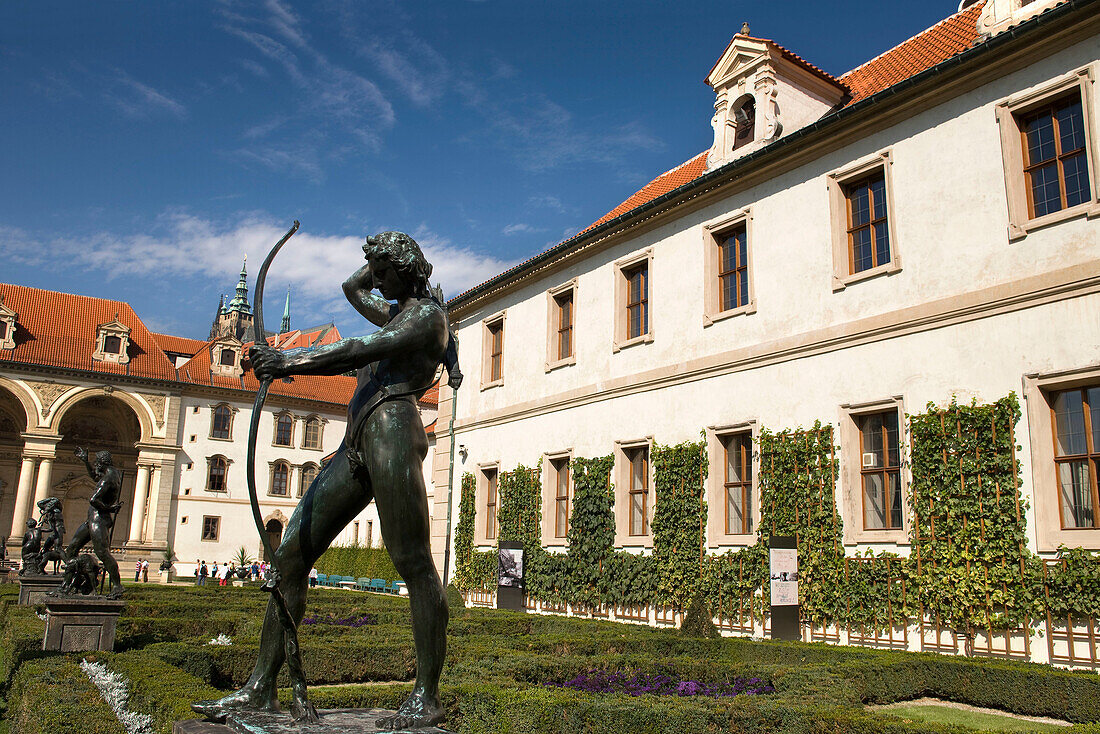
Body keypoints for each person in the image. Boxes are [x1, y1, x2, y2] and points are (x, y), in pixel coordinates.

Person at [196, 232, 452, 729]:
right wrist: (375, 255)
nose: (375, 283)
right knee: (290, 554)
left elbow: (357, 349)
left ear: (409, 269)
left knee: (414, 563)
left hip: (394, 436)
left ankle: (427, 694)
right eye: (376, 273)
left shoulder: (425, 318)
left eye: (385, 272)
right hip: (358, 442)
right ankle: (260, 689)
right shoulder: (396, 311)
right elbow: (350, 286)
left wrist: (288, 361)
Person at [65, 447, 124, 598]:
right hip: (92, 518)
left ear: (102, 463)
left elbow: (94, 499)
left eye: (96, 462)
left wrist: (109, 508)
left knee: (103, 553)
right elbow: (95, 476)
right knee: (71, 549)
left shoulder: (109, 478)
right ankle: (76, 580)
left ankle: (117, 586)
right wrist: (85, 461)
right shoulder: (112, 473)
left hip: (99, 519)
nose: (95, 465)